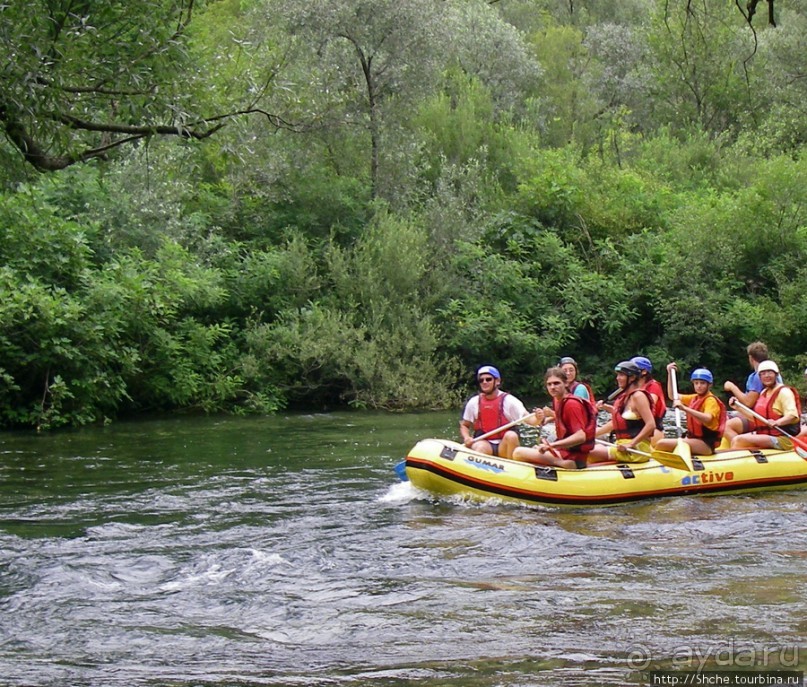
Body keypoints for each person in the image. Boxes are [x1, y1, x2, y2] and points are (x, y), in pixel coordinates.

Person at [512, 367, 596, 469]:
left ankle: (561, 463)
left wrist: (552, 446)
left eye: (556, 383)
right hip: (564, 451)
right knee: (534, 448)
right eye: (549, 384)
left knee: (518, 452)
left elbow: (580, 436)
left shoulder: (572, 404)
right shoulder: (557, 400)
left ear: (565, 383)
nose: (552, 387)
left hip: (574, 457)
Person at [459, 365, 538, 459]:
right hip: (485, 443)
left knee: (511, 435)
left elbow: (530, 420)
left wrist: (538, 418)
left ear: (497, 381)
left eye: (488, 379)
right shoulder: (474, 402)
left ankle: (512, 467)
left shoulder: (509, 401)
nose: (484, 382)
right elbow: (465, 425)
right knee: (479, 447)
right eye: (481, 380)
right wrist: (467, 437)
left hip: (504, 445)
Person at [588, 360, 656, 462]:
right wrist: (607, 408)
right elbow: (621, 420)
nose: (617, 378)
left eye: (621, 375)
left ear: (632, 378)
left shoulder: (638, 396)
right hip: (621, 444)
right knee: (588, 447)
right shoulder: (625, 397)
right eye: (618, 375)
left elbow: (651, 425)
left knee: (590, 452)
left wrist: (631, 443)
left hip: (636, 448)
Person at [655, 364, 726, 456]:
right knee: (662, 443)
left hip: (706, 444)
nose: (699, 386)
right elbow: (673, 396)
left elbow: (707, 418)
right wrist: (669, 374)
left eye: (702, 383)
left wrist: (684, 408)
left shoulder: (710, 400)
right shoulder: (694, 398)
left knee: (662, 443)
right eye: (696, 383)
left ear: (710, 385)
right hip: (693, 439)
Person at [729, 360, 801, 450]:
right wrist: (738, 407)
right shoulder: (764, 392)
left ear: (776, 374)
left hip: (784, 439)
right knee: (735, 440)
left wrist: (777, 422)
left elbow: (793, 416)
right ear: (759, 377)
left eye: (770, 372)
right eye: (763, 373)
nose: (766, 376)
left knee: (739, 440)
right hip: (766, 436)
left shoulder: (784, 392)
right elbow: (756, 419)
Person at [722, 341, 777, 443]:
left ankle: (740, 448)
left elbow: (748, 402)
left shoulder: (758, 376)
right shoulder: (771, 372)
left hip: (761, 417)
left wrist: (732, 387)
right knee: (724, 417)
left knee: (725, 426)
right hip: (760, 415)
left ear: (751, 358)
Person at [632, 356, 667, 445]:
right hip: (633, 429)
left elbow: (650, 404)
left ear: (644, 371)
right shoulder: (632, 388)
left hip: (653, 431)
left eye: (634, 370)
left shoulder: (653, 386)